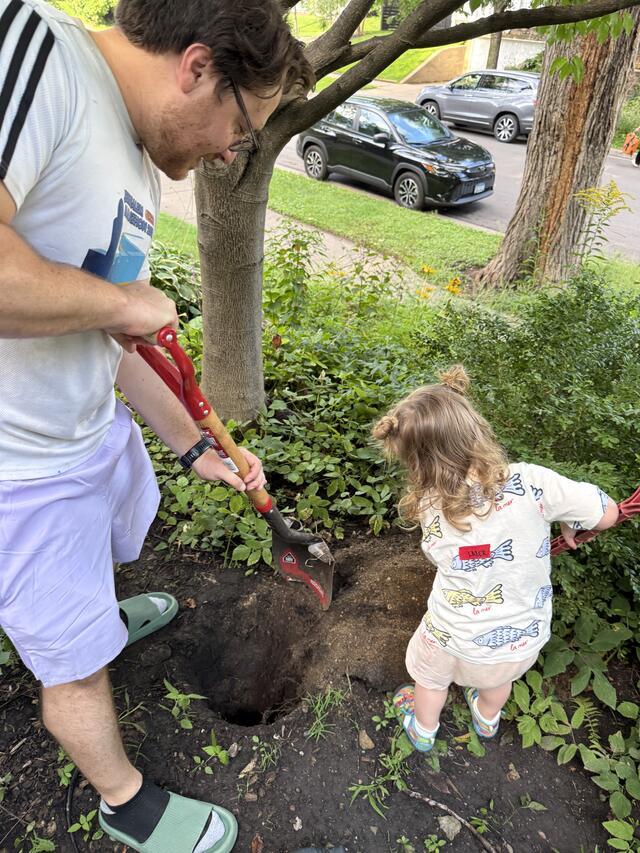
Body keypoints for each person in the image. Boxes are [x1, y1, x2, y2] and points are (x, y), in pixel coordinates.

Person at [0, 0, 311, 850]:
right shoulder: (39, 57)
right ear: (198, 66)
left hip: (83, 426)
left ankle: (95, 610)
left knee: (97, 560)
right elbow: (105, 304)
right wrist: (120, 299)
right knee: (71, 661)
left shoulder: (139, 163)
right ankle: (123, 801)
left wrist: (193, 441)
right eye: (244, 127)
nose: (232, 151)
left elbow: (112, 330)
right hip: (17, 468)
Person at [371, 366, 619, 753]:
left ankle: (422, 729)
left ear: (416, 462)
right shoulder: (533, 482)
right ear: (476, 428)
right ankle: (487, 721)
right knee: (496, 681)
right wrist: (572, 522)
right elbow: (607, 514)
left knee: (430, 681)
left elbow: (454, 553)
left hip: (451, 635)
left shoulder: (429, 507)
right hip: (520, 636)